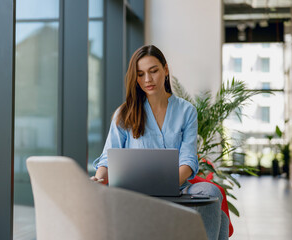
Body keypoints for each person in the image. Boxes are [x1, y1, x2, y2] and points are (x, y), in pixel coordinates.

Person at [91, 45, 229, 240]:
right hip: (134, 192)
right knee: (219, 218)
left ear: (165, 70)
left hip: (178, 187)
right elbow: (108, 157)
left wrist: (166, 185)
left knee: (211, 191)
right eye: (140, 74)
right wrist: (99, 178)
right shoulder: (124, 113)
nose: (147, 79)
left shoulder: (186, 111)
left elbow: (188, 160)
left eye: (153, 71)